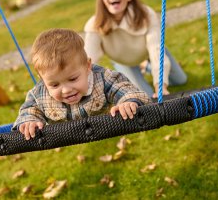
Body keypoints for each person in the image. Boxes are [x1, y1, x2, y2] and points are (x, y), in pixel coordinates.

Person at [12, 28, 151, 140]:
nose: (66, 90)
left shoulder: (101, 78)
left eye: (72, 79)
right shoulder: (39, 93)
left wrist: (127, 102)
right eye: (54, 85)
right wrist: (29, 121)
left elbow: (124, 89)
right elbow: (29, 110)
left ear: (87, 66)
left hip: (102, 127)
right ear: (42, 79)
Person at [84, 0, 187, 98]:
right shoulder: (94, 25)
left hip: (148, 52)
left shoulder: (146, 15)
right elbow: (88, 61)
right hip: (123, 61)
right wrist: (84, 91)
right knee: (146, 96)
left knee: (180, 80)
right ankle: (143, 67)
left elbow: (156, 51)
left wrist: (160, 86)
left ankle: (146, 66)